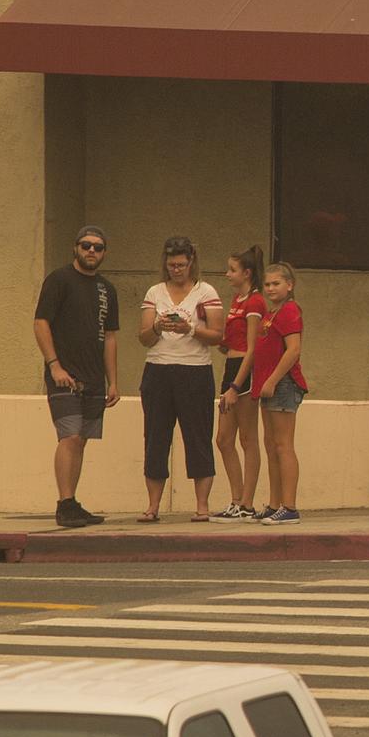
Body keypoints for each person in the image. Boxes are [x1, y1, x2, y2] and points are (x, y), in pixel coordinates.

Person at [33, 224, 121, 528]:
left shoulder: (106, 289)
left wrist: (114, 381)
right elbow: (41, 323)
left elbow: (110, 336)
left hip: (94, 378)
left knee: (81, 440)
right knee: (69, 436)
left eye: (98, 247)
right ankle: (64, 503)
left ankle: (71, 502)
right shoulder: (58, 280)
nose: (91, 251)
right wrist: (54, 365)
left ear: (104, 252)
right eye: (86, 245)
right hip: (64, 375)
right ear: (75, 248)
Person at [135, 235, 222, 523]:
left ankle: (201, 505)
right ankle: (153, 505)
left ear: (191, 263)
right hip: (158, 369)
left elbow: (218, 336)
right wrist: (158, 326)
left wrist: (190, 329)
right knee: (156, 437)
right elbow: (144, 337)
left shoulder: (206, 291)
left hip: (194, 370)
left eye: (182, 265)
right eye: (172, 265)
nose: (177, 270)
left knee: (197, 436)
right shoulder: (155, 292)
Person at [246, 262, 307, 525]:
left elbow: (293, 350)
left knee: (283, 445)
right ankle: (274, 503)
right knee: (271, 445)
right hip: (267, 386)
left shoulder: (290, 310)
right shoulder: (272, 313)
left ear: (289, 285)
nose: (271, 288)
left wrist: (272, 380)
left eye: (276, 284)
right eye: (267, 284)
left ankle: (289, 505)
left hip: (283, 385)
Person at [214, 245, 267, 520]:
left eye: (232, 270)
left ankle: (247, 502)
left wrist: (236, 386)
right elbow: (229, 343)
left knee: (247, 438)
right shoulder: (236, 299)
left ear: (247, 273)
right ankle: (236, 499)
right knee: (223, 438)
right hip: (230, 366)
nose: (227, 274)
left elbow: (252, 348)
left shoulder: (255, 302)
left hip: (245, 371)